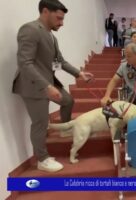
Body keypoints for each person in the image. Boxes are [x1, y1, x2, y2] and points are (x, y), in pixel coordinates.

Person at [12, 0, 93, 172]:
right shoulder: (30, 29)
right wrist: (46, 86)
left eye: (63, 19)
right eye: (59, 18)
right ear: (45, 11)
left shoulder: (51, 36)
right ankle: (42, 159)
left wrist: (79, 74)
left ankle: (64, 130)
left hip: (48, 83)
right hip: (33, 85)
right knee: (40, 123)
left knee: (68, 101)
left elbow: (60, 62)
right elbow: (25, 63)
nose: (62, 23)